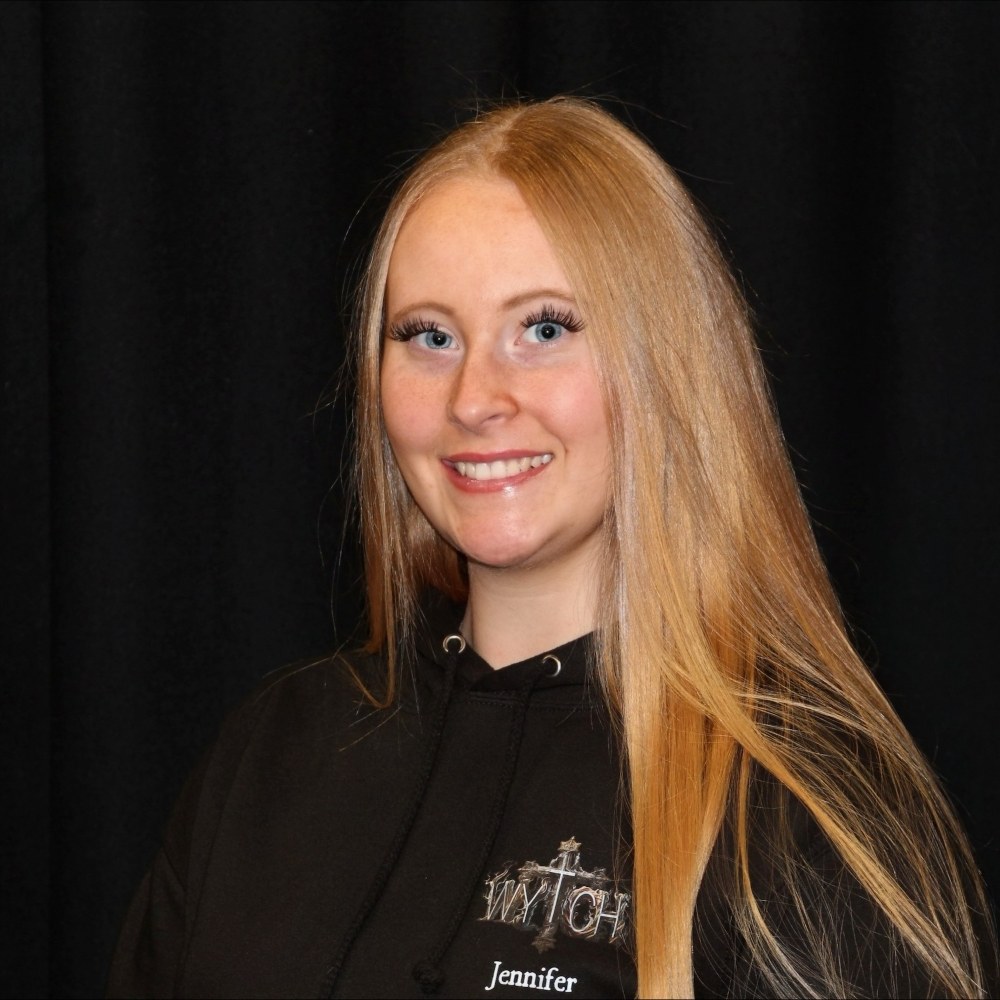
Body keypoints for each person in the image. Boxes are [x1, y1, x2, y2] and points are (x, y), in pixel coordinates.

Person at [108, 98, 997, 999]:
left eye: (544, 328)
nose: (474, 397)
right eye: (430, 336)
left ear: (666, 367)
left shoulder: (801, 820)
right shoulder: (271, 755)